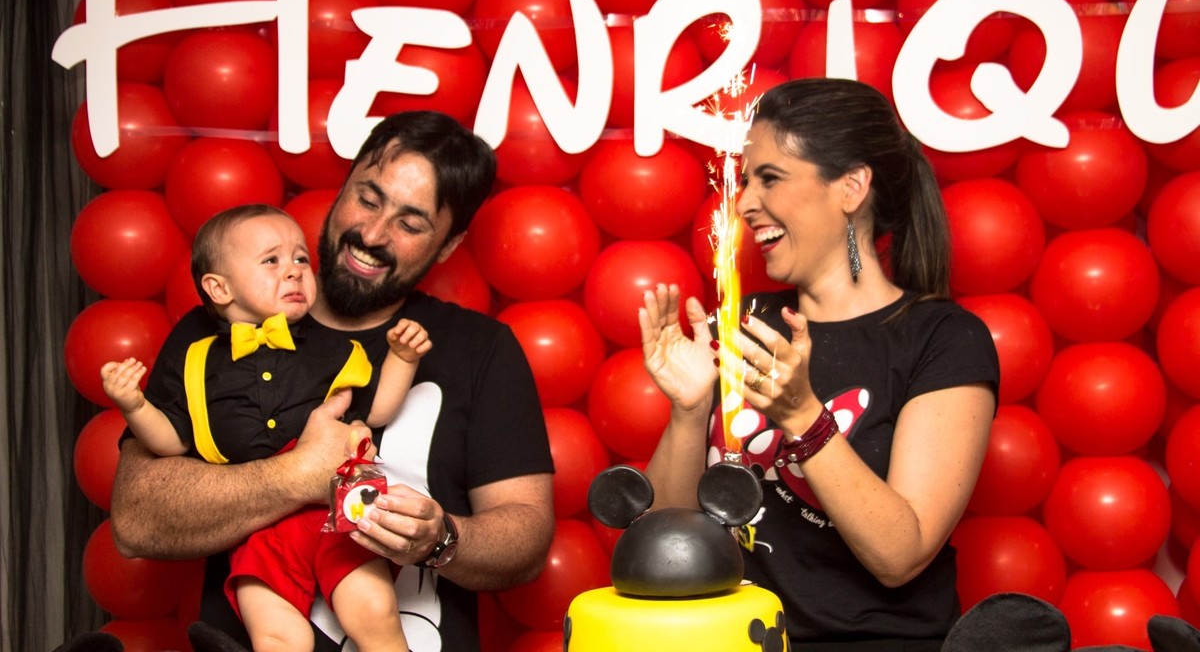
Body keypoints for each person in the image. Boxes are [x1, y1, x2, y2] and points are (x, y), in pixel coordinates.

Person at [108, 111, 556, 652]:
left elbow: (527, 539)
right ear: (342, 188)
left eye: (411, 224)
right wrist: (298, 474)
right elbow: (135, 520)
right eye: (367, 199)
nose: (372, 234)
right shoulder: (220, 330)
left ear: (447, 246)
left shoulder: (481, 349)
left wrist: (440, 538)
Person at [638, 78, 999, 650]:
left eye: (770, 178)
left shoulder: (943, 338)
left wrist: (804, 417)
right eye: (746, 180)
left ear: (851, 187)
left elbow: (900, 555)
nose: (746, 203)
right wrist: (689, 411)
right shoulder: (744, 324)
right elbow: (661, 545)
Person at [102, 203, 432, 652]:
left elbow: (376, 412)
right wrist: (134, 405)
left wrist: (402, 358)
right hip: (256, 530)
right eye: (271, 260)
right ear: (219, 288)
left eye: (301, 258)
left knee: (374, 612)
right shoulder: (196, 359)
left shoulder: (333, 348)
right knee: (278, 638)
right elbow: (170, 441)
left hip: (336, 510)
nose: (294, 270)